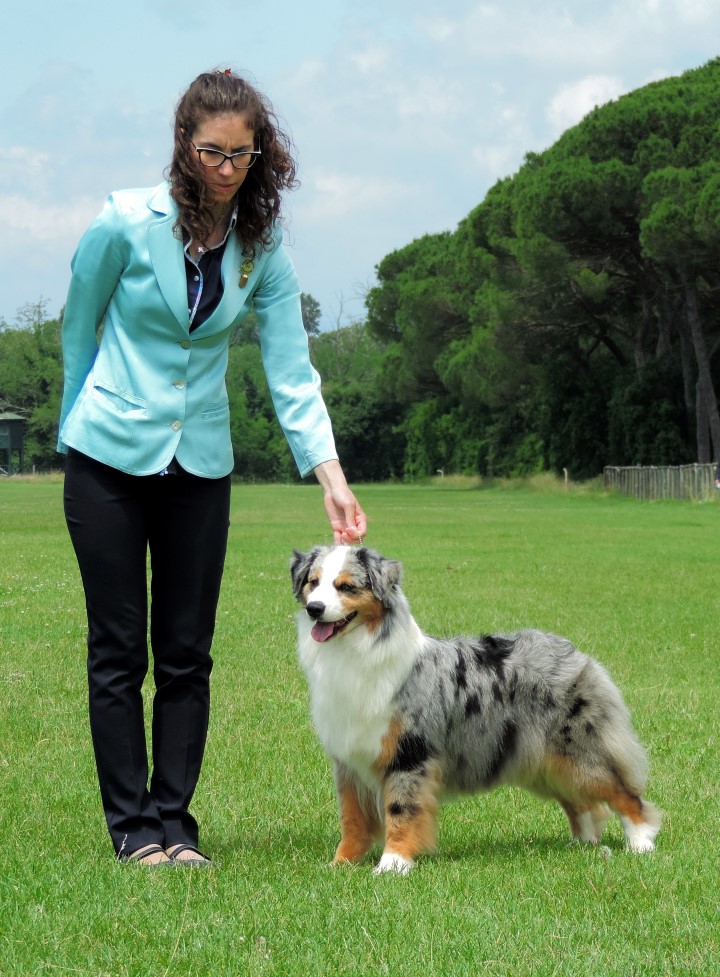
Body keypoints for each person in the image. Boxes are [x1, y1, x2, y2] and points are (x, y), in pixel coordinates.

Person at [58, 69, 366, 867]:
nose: (226, 169)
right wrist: (74, 425)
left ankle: (175, 820)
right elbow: (78, 324)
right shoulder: (125, 222)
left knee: (188, 649)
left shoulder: (261, 253)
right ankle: (131, 828)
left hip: (199, 465)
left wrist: (329, 474)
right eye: (211, 152)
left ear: (262, 154)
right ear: (184, 146)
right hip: (108, 462)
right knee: (119, 646)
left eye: (241, 154)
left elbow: (293, 372)